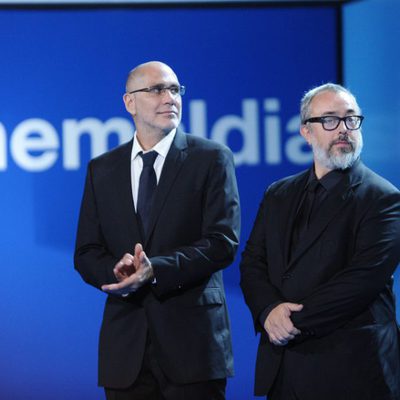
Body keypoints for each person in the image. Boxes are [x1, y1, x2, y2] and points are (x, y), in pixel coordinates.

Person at [74, 61, 240, 400]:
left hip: (192, 348)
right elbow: (86, 251)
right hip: (126, 351)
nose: (170, 98)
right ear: (129, 102)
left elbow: (222, 242)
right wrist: (114, 271)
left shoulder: (211, 158)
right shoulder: (102, 169)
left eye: (175, 90)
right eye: (157, 90)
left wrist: (156, 271)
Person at [240, 83, 400, 400]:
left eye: (350, 119)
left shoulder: (383, 198)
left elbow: (361, 281)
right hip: (284, 369)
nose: (343, 129)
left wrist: (287, 322)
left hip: (350, 366)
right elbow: (253, 263)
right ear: (306, 131)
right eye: (329, 120)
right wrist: (268, 311)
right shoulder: (279, 194)